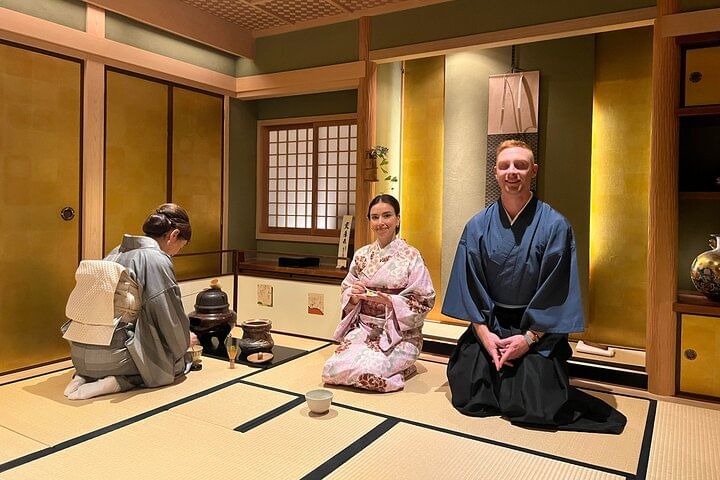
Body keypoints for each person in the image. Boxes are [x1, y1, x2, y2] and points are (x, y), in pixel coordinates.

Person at [442, 140, 626, 433]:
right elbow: (470, 284)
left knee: (535, 406)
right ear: (496, 172)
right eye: (505, 166)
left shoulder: (555, 225)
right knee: (471, 396)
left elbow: (557, 290)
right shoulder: (477, 226)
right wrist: (485, 335)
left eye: (520, 165)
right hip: (491, 321)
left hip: (536, 325)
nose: (512, 172)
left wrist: (528, 339)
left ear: (534, 171)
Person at [62, 203, 197, 400]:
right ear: (173, 235)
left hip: (79, 354)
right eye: (180, 246)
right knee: (177, 363)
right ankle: (119, 382)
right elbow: (168, 315)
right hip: (114, 358)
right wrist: (184, 342)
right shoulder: (156, 258)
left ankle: (83, 377)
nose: (176, 252)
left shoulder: (116, 251)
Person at [322, 194, 435, 392]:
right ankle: (396, 369)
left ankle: (402, 368)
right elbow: (347, 288)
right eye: (375, 217)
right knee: (331, 371)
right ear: (370, 221)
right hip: (365, 330)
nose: (380, 222)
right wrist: (353, 296)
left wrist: (391, 302)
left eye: (387, 216)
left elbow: (424, 299)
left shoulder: (411, 255)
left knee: (369, 373)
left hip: (400, 334)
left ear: (397, 219)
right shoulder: (362, 255)